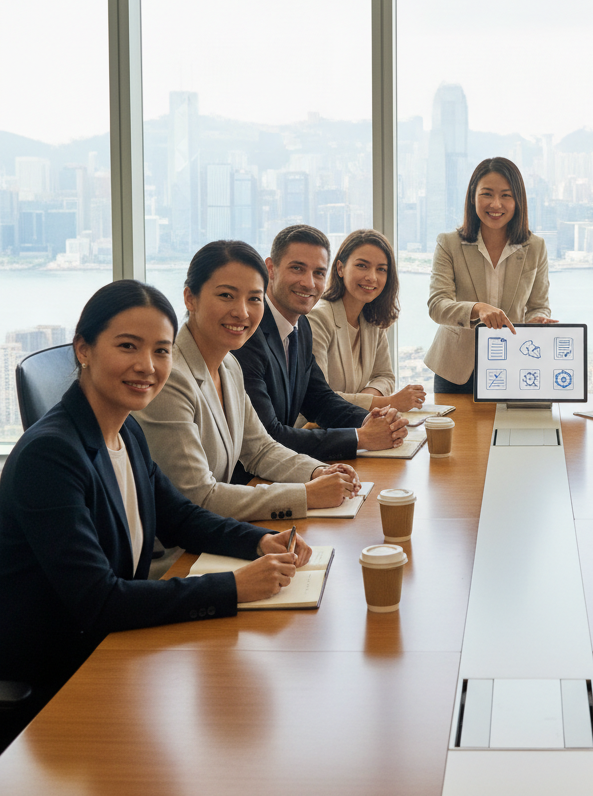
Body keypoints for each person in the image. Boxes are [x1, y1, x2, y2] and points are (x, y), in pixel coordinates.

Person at [0, 279, 310, 709]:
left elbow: (179, 516)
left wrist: (256, 541)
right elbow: (99, 601)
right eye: (128, 346)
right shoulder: (50, 456)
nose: (147, 365)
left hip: (117, 650)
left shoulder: (125, 428)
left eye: (161, 350)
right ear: (83, 349)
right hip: (63, 675)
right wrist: (232, 587)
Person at [134, 241, 360, 545]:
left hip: (217, 533)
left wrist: (317, 471)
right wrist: (305, 495)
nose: (242, 312)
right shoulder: (169, 376)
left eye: (254, 299)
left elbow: (260, 450)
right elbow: (200, 496)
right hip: (174, 553)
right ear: (190, 297)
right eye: (226, 295)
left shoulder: (228, 363)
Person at [233, 225, 409, 460]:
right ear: (271, 269)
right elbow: (268, 434)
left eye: (318, 273)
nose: (309, 283)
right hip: (246, 476)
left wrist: (370, 419)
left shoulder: (300, 326)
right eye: (297, 268)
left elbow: (319, 399)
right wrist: (361, 438)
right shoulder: (249, 332)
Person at [425, 156, 556, 394]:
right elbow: (437, 305)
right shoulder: (449, 244)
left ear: (518, 201)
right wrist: (478, 309)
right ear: (473, 197)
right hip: (456, 369)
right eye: (487, 194)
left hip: (513, 363)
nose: (496, 204)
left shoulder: (535, 247)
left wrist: (537, 321)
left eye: (506, 195)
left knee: (509, 430)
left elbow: (539, 305)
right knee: (459, 432)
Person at [307, 229, 425, 412]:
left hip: (352, 424)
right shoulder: (318, 318)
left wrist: (365, 399)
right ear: (340, 268)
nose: (372, 277)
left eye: (381, 269)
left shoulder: (372, 320)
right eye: (362, 266)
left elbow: (385, 376)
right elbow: (320, 398)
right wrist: (388, 402)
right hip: (314, 429)